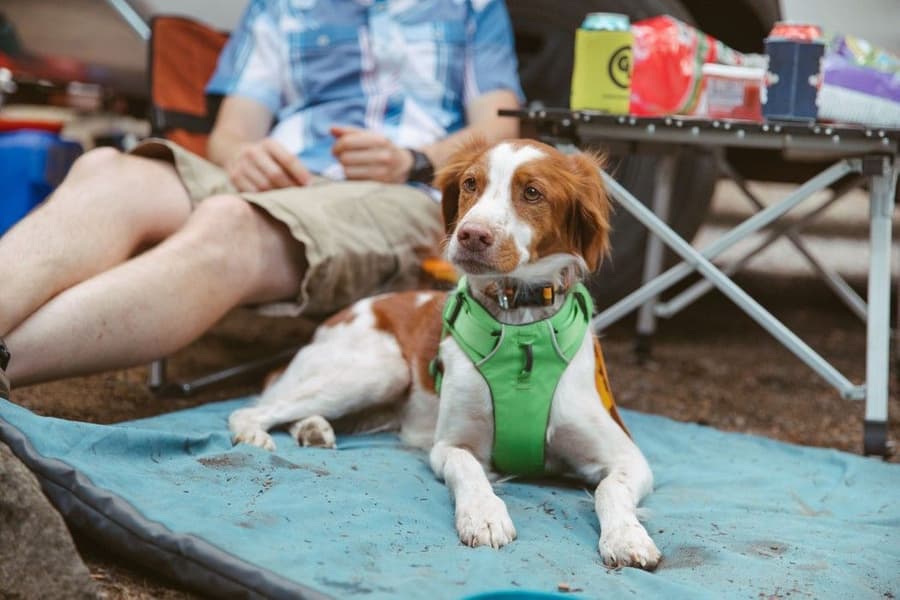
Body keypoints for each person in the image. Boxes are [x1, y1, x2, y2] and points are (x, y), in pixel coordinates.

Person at [0, 0, 524, 399]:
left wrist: (412, 159)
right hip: (284, 176)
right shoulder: (278, 7)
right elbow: (231, 136)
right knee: (108, 171)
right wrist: (244, 157)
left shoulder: (472, 7)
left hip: (399, 192)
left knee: (230, 222)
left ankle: (9, 364)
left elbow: (500, 131)